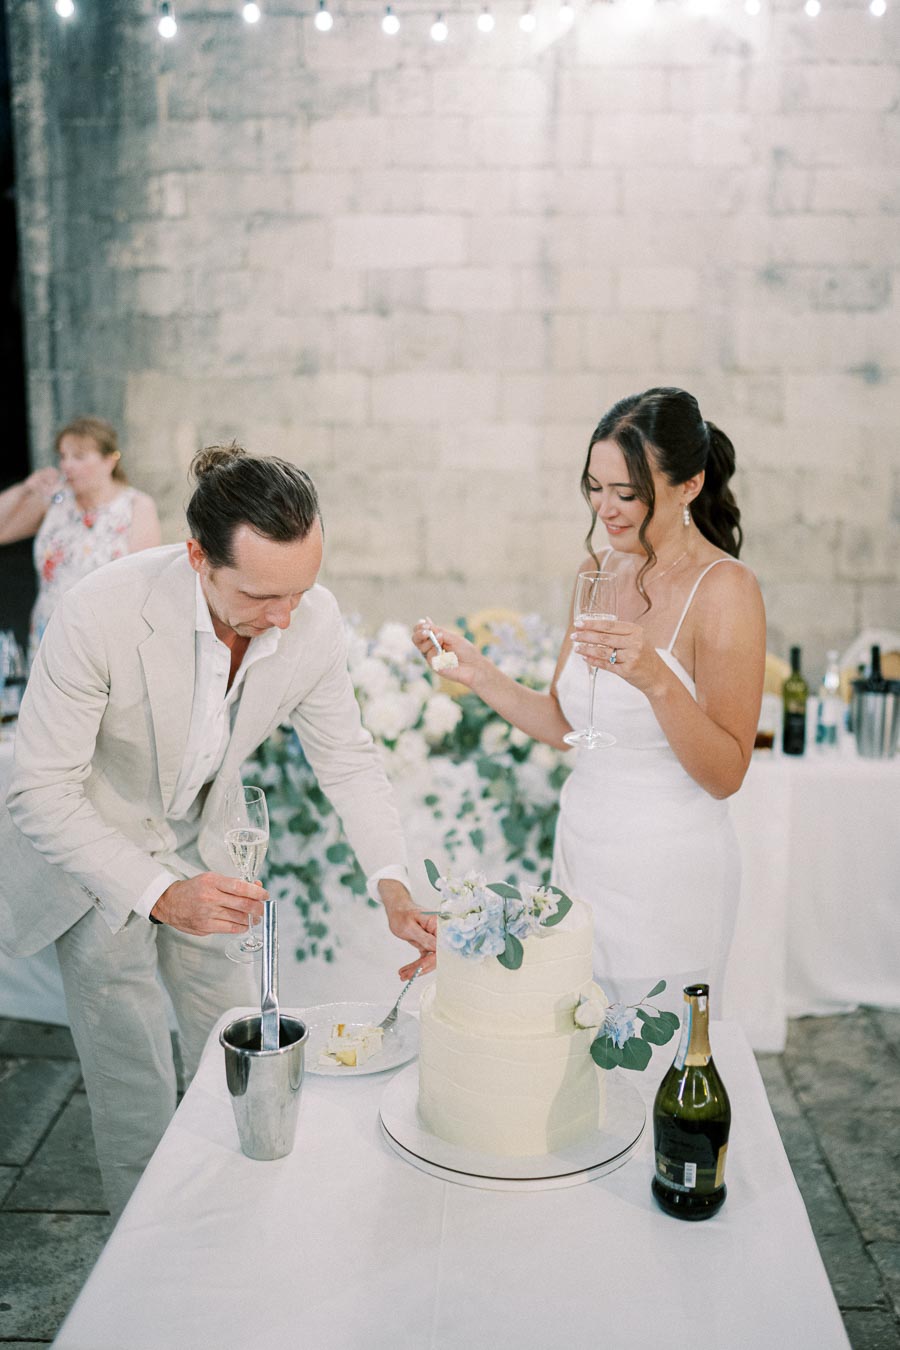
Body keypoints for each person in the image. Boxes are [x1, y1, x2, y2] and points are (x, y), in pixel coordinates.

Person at [0, 445, 435, 1219]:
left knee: (238, 1044)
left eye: (300, 590)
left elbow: (347, 759)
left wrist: (393, 883)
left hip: (207, 840)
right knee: (133, 1080)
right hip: (94, 857)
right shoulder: (99, 612)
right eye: (264, 595)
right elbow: (39, 788)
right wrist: (163, 894)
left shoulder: (311, 617)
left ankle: (237, 1224)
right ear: (199, 557)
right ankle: (144, 1276)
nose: (285, 617)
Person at [414, 387, 765, 1024]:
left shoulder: (726, 590)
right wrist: (481, 674)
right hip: (582, 849)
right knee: (580, 1040)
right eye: (594, 487)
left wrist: (656, 679)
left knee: (656, 1048)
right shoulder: (595, 571)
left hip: (666, 867)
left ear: (689, 485)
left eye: (628, 493)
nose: (606, 509)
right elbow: (567, 722)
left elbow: (727, 773)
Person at [0, 416, 161, 660]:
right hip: (50, 634)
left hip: (105, 639)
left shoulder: (136, 505)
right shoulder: (55, 502)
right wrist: (26, 488)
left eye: (78, 456)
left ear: (109, 460)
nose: (67, 465)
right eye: (63, 456)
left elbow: (144, 581)